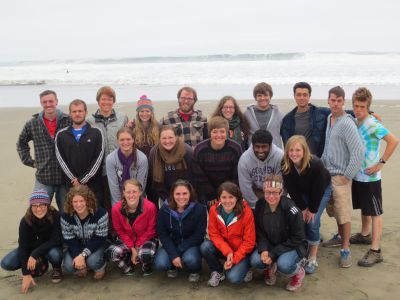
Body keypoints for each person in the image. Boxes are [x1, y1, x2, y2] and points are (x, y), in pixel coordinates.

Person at [350, 87, 398, 267]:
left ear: (367, 106)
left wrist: (381, 163)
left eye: (362, 106)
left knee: (375, 212)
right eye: (356, 106)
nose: (358, 110)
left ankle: (376, 250)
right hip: (359, 175)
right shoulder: (356, 121)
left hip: (371, 178)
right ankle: (364, 235)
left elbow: (393, 141)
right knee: (365, 207)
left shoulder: (373, 125)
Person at [321, 86, 364, 268]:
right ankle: (340, 237)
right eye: (333, 100)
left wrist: (348, 175)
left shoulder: (347, 123)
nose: (336, 103)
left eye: (339, 101)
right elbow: (328, 147)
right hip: (327, 174)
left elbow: (358, 151)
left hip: (341, 177)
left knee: (343, 212)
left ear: (343, 102)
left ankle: (346, 249)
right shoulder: (329, 118)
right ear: (328, 101)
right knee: (334, 210)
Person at [281, 135, 332, 273]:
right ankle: (304, 248)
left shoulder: (315, 164)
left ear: (304, 151)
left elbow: (318, 189)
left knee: (312, 221)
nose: (294, 153)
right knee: (301, 219)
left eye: (298, 150)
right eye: (291, 150)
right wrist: (303, 208)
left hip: (322, 189)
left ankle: (313, 256)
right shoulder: (285, 164)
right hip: (302, 191)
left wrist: (312, 210)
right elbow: (292, 189)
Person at [250, 175, 308, 292]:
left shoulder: (291, 209)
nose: (271, 196)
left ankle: (298, 272)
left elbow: (298, 238)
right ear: (263, 192)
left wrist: (274, 254)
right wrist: (264, 249)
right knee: (255, 260)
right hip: (271, 243)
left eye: (275, 192)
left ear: (281, 192)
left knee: (284, 264)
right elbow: (260, 231)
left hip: (291, 246)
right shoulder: (260, 205)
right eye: (267, 192)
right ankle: (270, 267)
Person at [17, 90, 71, 211]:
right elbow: (21, 143)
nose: (48, 104)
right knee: (37, 211)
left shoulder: (68, 121)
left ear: (56, 102)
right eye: (44, 102)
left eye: (51, 101)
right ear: (41, 103)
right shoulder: (33, 123)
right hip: (43, 178)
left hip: (65, 179)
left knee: (67, 214)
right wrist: (30, 161)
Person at [0, 189, 63, 293]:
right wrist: (26, 273)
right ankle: (34, 266)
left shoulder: (56, 216)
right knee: (6, 263)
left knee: (55, 254)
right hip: (31, 249)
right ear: (31, 206)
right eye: (34, 205)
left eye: (42, 205)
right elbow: (23, 246)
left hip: (49, 248)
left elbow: (55, 240)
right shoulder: (25, 221)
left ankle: (56, 268)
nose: (38, 209)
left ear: (47, 205)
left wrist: (34, 254)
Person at [201, 181, 255, 287]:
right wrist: (228, 252)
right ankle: (218, 271)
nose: (227, 201)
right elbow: (214, 234)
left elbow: (249, 242)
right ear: (219, 198)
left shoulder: (246, 212)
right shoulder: (213, 210)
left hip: (242, 252)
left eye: (231, 197)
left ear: (237, 198)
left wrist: (234, 258)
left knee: (233, 278)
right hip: (226, 250)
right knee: (205, 246)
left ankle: (246, 267)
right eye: (224, 197)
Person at [154, 180, 207, 283]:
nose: (181, 197)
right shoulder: (164, 210)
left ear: (190, 194)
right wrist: (173, 254)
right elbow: (162, 234)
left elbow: (199, 235)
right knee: (160, 263)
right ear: (172, 195)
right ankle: (172, 267)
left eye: (185, 193)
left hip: (192, 244)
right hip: (171, 243)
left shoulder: (199, 209)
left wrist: (177, 251)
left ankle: (195, 270)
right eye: (177, 194)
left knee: (191, 259)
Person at [55, 99, 105, 207]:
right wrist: (74, 180)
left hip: (94, 185)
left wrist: (82, 180)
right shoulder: (61, 135)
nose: (77, 114)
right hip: (71, 185)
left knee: (94, 215)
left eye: (80, 111)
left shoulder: (96, 132)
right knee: (73, 215)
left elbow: (98, 158)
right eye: (74, 111)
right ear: (70, 114)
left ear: (86, 112)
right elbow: (60, 159)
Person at [87, 86, 128, 209]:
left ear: (113, 101)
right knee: (102, 200)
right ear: (98, 101)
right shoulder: (90, 120)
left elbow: (127, 138)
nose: (106, 102)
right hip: (99, 168)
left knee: (119, 198)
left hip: (118, 166)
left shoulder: (122, 118)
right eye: (103, 99)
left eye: (110, 99)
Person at [107, 179, 157, 275]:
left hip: (145, 239)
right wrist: (132, 248)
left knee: (145, 255)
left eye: (134, 192)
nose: (131, 195)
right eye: (128, 192)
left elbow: (151, 230)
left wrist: (137, 246)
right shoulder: (116, 209)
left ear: (140, 192)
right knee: (111, 252)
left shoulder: (150, 207)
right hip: (128, 239)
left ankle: (147, 267)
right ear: (124, 193)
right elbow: (119, 230)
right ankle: (128, 268)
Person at [61, 185, 109, 280]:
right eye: (75, 201)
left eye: (82, 201)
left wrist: (83, 255)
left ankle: (100, 267)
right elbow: (69, 239)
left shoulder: (101, 213)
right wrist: (77, 256)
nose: (78, 205)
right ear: (71, 203)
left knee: (93, 261)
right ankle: (83, 266)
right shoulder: (65, 215)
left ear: (88, 201)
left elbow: (99, 238)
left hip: (97, 244)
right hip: (77, 245)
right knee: (68, 266)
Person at [193, 116, 242, 207]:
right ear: (209, 133)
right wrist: (211, 195)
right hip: (207, 192)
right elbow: (199, 175)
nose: (218, 135)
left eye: (222, 132)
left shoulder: (235, 148)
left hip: (230, 190)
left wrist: (227, 194)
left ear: (227, 133)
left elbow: (236, 174)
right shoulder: (200, 150)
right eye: (215, 132)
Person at [280, 82, 330, 157]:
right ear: (294, 96)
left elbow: (340, 112)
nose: (302, 98)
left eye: (305, 95)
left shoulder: (321, 113)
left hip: (316, 161)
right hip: (297, 160)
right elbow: (287, 144)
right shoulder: (288, 119)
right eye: (299, 95)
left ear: (309, 96)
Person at [238, 129, 283, 209]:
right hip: (255, 191)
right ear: (253, 145)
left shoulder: (280, 157)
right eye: (257, 147)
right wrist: (256, 207)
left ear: (270, 145)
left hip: (274, 191)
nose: (260, 150)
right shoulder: (244, 159)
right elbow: (245, 187)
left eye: (264, 147)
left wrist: (274, 204)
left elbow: (281, 184)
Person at [148, 126, 193, 204]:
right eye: (164, 138)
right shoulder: (154, 153)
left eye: (170, 137)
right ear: (159, 139)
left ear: (176, 137)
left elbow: (193, 177)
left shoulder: (187, 151)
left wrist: (186, 196)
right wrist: (168, 199)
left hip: (185, 195)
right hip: (165, 195)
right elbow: (155, 180)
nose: (167, 141)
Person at [106, 127, 148, 206]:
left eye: (128, 139)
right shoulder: (110, 159)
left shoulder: (142, 158)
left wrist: (134, 204)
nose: (125, 142)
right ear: (117, 141)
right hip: (118, 199)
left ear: (133, 140)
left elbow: (141, 185)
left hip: (137, 199)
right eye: (122, 140)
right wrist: (120, 205)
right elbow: (113, 186)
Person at [244, 82, 284, 148]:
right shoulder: (247, 114)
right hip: (253, 153)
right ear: (255, 97)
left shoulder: (279, 115)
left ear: (270, 96)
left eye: (266, 95)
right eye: (259, 95)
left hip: (274, 154)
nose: (263, 98)